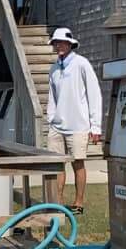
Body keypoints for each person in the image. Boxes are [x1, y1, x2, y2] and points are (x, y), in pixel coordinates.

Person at [46, 27, 103, 215]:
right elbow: (52, 96)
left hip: (78, 124)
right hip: (57, 125)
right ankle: (58, 202)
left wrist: (95, 126)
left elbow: (94, 94)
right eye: (56, 42)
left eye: (61, 42)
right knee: (56, 165)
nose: (58, 45)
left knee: (78, 163)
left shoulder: (82, 64)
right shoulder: (54, 68)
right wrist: (51, 117)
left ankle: (78, 203)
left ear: (70, 44)